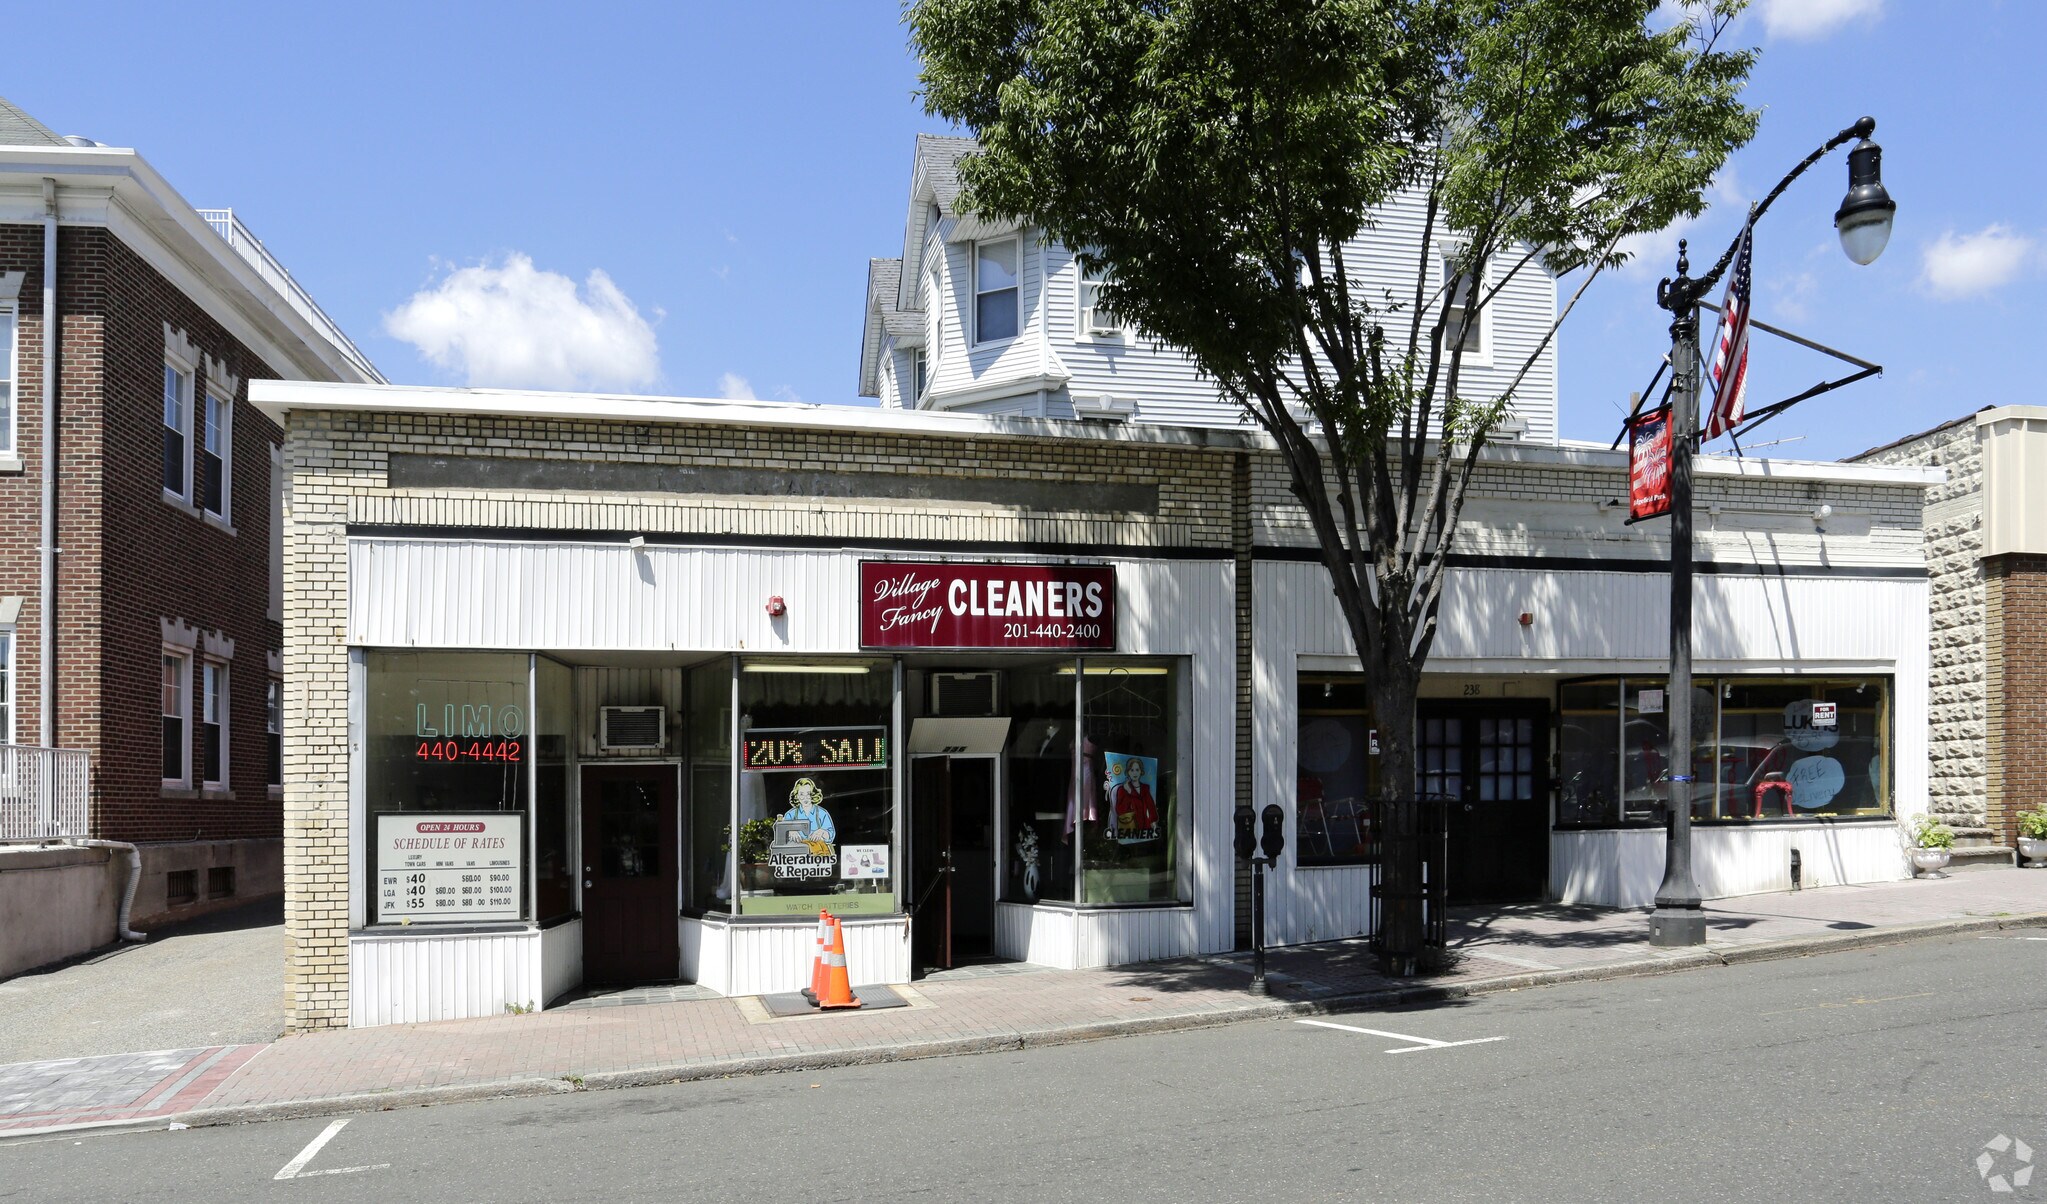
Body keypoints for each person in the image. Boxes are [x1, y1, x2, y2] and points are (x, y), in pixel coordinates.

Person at [782, 776, 836, 853]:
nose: (805, 797)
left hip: (818, 852)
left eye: (808, 794)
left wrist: (823, 832)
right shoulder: (790, 815)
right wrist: (789, 832)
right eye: (801, 794)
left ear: (813, 794)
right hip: (797, 853)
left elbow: (831, 835)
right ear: (797, 795)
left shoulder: (822, 813)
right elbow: (782, 833)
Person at [1108, 756, 1158, 837]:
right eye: (1132, 770)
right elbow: (1120, 810)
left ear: (1141, 771)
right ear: (1128, 772)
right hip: (1130, 829)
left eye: (1137, 770)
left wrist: (1154, 824)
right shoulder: (1122, 789)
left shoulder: (1145, 788)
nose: (1135, 773)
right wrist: (1129, 792)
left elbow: (1151, 807)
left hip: (1145, 828)